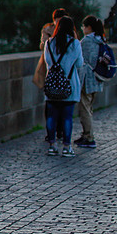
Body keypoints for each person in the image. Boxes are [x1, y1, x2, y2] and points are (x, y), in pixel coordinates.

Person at [43, 15, 83, 157]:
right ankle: (66, 147)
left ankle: (52, 146)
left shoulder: (49, 43)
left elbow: (48, 62)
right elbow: (79, 64)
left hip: (52, 84)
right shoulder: (75, 44)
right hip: (69, 85)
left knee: (52, 116)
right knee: (67, 117)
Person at [75, 15, 105, 149]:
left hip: (87, 80)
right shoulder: (100, 40)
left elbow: (80, 61)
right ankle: (86, 135)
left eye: (83, 26)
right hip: (97, 79)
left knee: (84, 109)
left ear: (89, 27)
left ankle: (89, 137)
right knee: (89, 107)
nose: (82, 29)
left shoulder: (87, 41)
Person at [33, 8, 68, 90]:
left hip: (65, 61)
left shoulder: (69, 30)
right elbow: (42, 46)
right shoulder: (47, 29)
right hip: (50, 62)